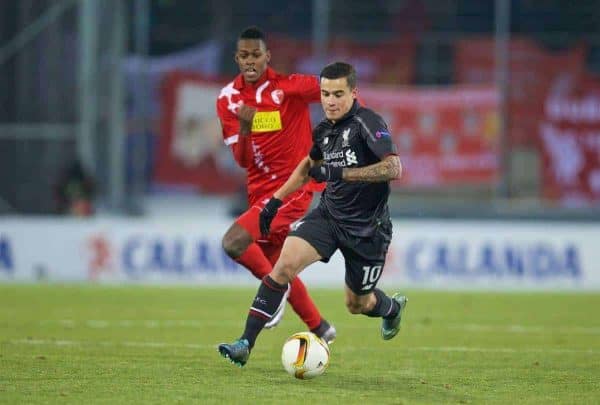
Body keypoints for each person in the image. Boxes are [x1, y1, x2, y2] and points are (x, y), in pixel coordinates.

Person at [218, 62, 408, 367]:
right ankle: (244, 344)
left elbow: (393, 168)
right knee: (282, 267)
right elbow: (307, 168)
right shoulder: (323, 130)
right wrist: (274, 202)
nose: (330, 101)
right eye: (324, 94)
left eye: (337, 94)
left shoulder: (367, 122)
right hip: (328, 218)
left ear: (353, 93)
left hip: (367, 230)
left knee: (357, 303)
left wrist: (339, 172)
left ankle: (390, 309)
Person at [216, 26, 336, 343]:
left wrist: (341, 130)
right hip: (259, 192)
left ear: (267, 56)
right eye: (244, 55)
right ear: (237, 58)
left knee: (234, 242)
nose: (250, 61)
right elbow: (242, 160)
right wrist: (245, 127)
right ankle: (321, 328)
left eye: (256, 54)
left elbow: (334, 93)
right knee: (277, 264)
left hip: (292, 191)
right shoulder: (228, 99)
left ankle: (275, 294)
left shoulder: (290, 88)